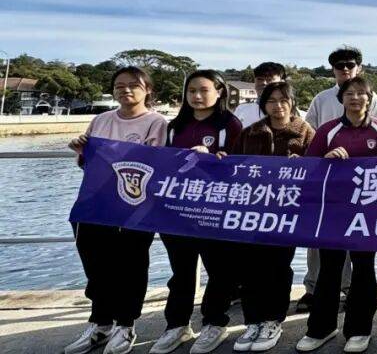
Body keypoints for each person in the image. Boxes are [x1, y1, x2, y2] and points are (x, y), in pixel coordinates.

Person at [65, 67, 168, 354]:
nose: (126, 90)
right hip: (94, 203)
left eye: (134, 85)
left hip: (134, 207)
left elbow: (156, 164)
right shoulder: (101, 119)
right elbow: (88, 162)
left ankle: (125, 324)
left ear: (148, 89)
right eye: (119, 85)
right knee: (95, 263)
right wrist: (81, 148)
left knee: (131, 265)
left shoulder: (157, 122)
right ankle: (100, 322)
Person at [150, 70, 243, 354]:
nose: (197, 96)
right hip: (177, 209)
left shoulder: (230, 125)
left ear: (219, 92)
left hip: (214, 208)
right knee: (181, 270)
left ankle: (215, 322)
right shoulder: (175, 126)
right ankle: (177, 324)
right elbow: (162, 162)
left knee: (218, 269)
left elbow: (240, 166)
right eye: (192, 91)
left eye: (204, 90)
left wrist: (213, 160)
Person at [297, 76, 377, 353]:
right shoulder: (328, 130)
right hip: (333, 211)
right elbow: (309, 168)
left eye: (361, 93)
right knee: (329, 269)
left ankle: (359, 330)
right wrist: (326, 160)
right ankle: (321, 328)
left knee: (363, 268)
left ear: (370, 99)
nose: (355, 98)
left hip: (368, 211)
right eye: (350, 93)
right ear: (341, 99)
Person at [229, 81, 314, 352]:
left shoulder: (305, 132)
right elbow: (233, 166)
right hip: (252, 212)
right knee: (249, 267)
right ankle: (252, 321)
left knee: (278, 266)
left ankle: (273, 321)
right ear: (263, 104)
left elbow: (318, 171)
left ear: (292, 102)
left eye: (283, 100)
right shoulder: (250, 132)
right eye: (271, 100)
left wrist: (305, 166)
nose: (278, 106)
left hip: (285, 214)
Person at [234, 62, 288, 128]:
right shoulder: (242, 110)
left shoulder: (292, 112)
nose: (264, 83)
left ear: (282, 82)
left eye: (269, 79)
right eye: (260, 79)